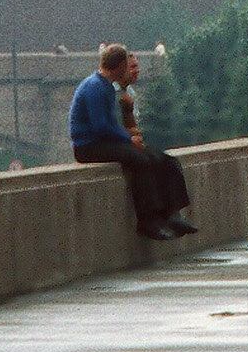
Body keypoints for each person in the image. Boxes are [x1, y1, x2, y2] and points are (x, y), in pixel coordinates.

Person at [71, 43, 196, 241]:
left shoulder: (104, 86)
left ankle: (173, 214)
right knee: (140, 160)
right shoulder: (95, 87)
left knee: (164, 159)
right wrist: (128, 139)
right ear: (121, 65)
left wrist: (128, 140)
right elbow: (100, 126)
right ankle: (148, 221)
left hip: (104, 142)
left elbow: (109, 126)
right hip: (88, 147)